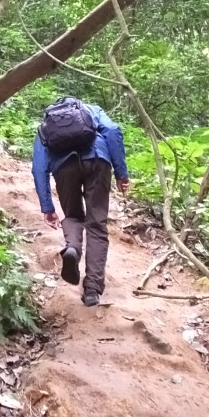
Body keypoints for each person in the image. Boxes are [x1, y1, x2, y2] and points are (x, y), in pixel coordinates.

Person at [31, 99, 129, 306]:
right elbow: (112, 131)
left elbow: (39, 168)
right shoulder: (91, 110)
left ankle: (73, 248)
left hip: (63, 168)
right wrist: (121, 173)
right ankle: (92, 289)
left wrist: (47, 207)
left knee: (74, 216)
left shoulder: (46, 126)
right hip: (97, 161)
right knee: (96, 225)